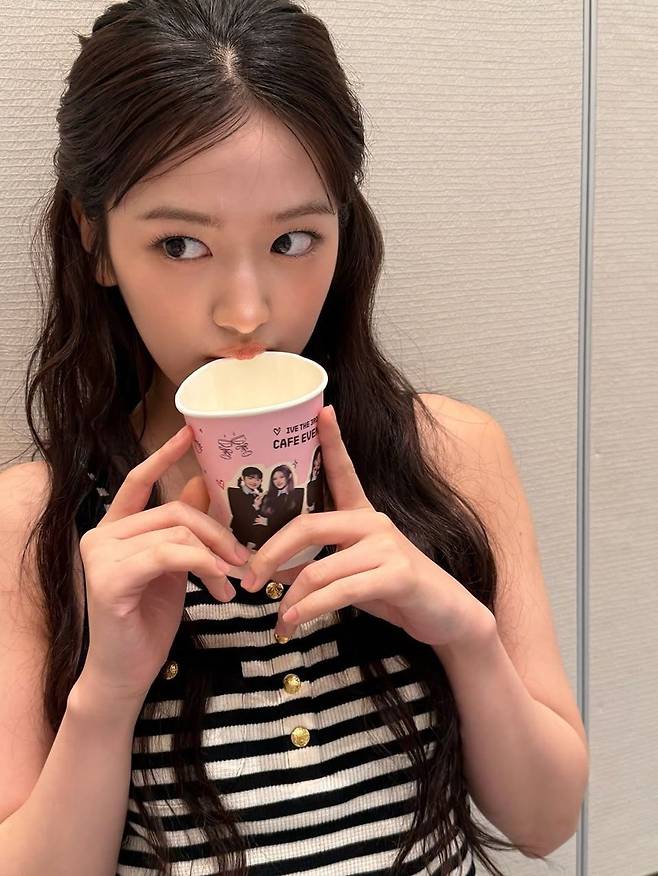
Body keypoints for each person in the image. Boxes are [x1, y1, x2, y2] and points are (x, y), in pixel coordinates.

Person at [0, 1, 589, 874]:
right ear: (97, 245)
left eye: (292, 239)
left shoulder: (451, 455)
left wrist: (463, 636)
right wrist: (109, 692)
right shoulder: (38, 522)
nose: (247, 312)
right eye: (180, 245)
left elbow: (545, 822)